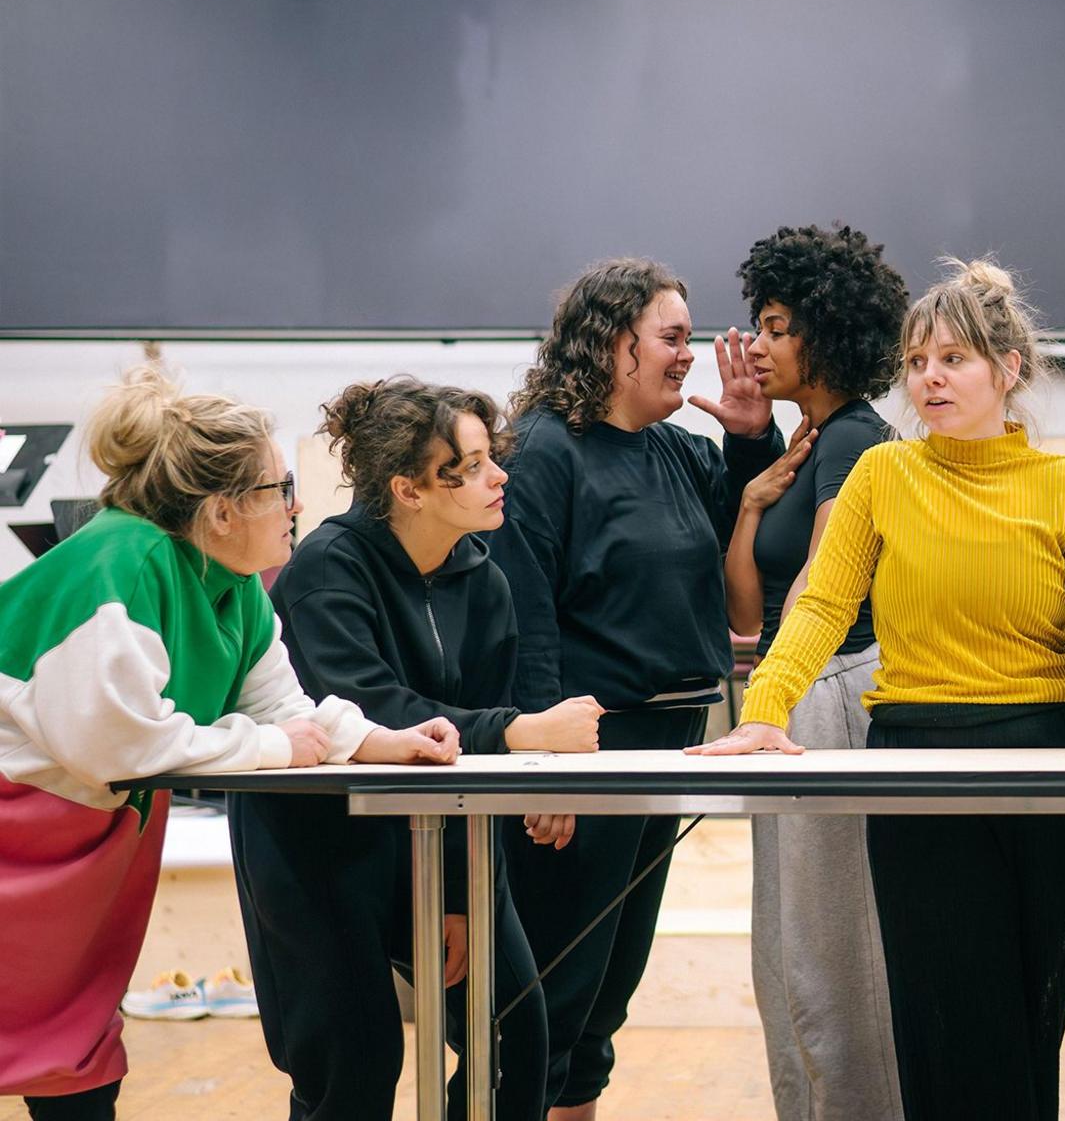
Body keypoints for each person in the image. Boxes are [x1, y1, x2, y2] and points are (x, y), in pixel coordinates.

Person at [693, 258, 1065, 1121]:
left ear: (1007, 370)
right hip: (915, 761)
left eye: (954, 359)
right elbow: (816, 607)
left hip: (1045, 756)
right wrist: (765, 712)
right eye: (918, 361)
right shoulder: (882, 477)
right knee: (944, 1015)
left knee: (1030, 1017)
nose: (930, 377)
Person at [0, 365, 457, 1120]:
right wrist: (276, 745)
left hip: (80, 841)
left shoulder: (236, 579)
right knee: (65, 1062)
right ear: (219, 511)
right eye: (279, 487)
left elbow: (284, 706)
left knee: (75, 1062)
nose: (296, 503)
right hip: (25, 829)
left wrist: (384, 740)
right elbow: (126, 749)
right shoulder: (123, 563)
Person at [232, 377, 607, 1120]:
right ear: (408, 489)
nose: (499, 476)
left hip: (440, 843)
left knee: (520, 1038)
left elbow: (466, 763)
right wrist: (518, 730)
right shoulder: (327, 570)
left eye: (488, 457)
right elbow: (380, 720)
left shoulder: (485, 579)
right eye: (467, 467)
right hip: (320, 850)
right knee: (357, 1064)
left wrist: (461, 896)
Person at [488, 257, 791, 1117]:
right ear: (614, 343)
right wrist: (545, 761)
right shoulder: (545, 448)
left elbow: (749, 529)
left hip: (670, 741)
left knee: (604, 995)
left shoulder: (675, 449)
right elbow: (526, 610)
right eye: (674, 337)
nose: (689, 355)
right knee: (549, 996)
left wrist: (748, 436)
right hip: (590, 744)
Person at [722, 224, 907, 1121]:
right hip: (789, 696)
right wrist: (753, 492)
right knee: (784, 964)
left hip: (832, 696)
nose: (758, 342)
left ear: (825, 334)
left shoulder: (857, 441)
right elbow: (748, 613)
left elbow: (821, 591)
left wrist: (771, 699)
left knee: (832, 970)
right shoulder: (808, 443)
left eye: (776, 324)